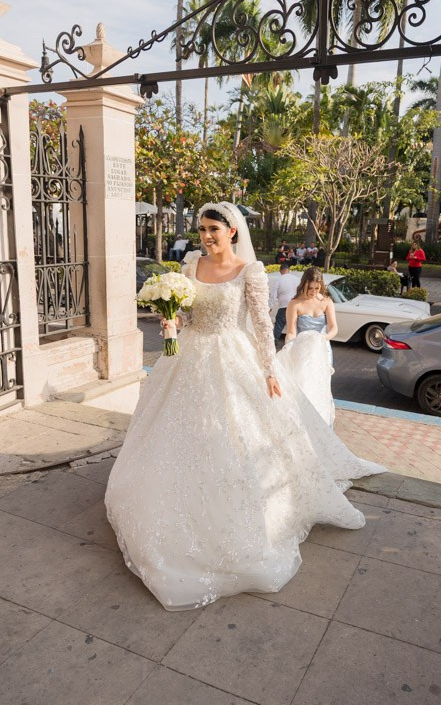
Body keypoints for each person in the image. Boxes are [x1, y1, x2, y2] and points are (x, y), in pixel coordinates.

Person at [105, 201, 385, 612]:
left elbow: (260, 323)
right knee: (178, 429)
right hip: (188, 356)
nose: (205, 236)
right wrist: (171, 322)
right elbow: (185, 316)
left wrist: (270, 370)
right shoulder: (190, 265)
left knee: (234, 433)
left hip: (233, 357)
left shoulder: (249, 271)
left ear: (232, 231)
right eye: (202, 229)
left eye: (213, 230)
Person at [278, 267, 337, 426]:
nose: (313, 292)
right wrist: (290, 346)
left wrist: (322, 339)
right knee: (305, 386)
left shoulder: (326, 302)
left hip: (322, 349)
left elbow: (334, 328)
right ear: (304, 284)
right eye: (310, 288)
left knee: (322, 386)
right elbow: (291, 331)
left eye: (316, 288)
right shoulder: (294, 304)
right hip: (304, 350)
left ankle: (323, 424)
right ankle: (304, 424)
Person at [269, 262, 299, 343]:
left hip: (284, 306)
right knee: (294, 326)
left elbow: (273, 295)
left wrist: (270, 307)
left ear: (280, 271)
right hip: (296, 306)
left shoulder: (279, 280)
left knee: (279, 325)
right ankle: (295, 343)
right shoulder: (296, 279)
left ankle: (274, 342)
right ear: (289, 270)